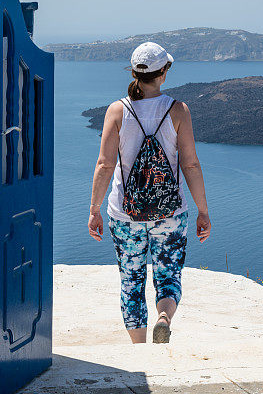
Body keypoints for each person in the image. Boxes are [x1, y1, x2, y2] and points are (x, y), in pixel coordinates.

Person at [88, 41, 211, 344]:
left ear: (134, 73)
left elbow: (105, 165)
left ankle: (139, 347)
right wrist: (202, 211)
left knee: (131, 280)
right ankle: (164, 317)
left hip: (124, 214)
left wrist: (94, 209)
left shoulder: (117, 110)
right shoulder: (178, 110)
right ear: (164, 73)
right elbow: (191, 164)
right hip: (170, 214)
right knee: (168, 274)